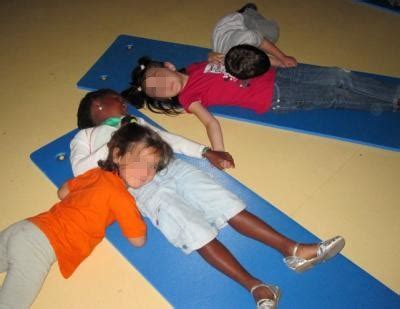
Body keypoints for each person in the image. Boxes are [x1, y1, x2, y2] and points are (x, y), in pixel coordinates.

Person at [72, 89, 346, 309]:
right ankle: (255, 286)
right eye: (116, 99)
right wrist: (115, 135)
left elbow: (168, 141)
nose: (124, 103)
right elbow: (79, 170)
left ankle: (293, 250)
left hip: (170, 167)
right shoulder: (84, 136)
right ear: (97, 104)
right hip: (141, 187)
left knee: (227, 204)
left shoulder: (134, 122)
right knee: (195, 233)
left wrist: (204, 151)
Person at [0, 122, 174, 308]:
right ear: (117, 155)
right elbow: (138, 240)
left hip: (25, 228)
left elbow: (63, 192)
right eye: (142, 162)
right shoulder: (122, 197)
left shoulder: (95, 174)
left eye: (154, 167)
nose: (147, 172)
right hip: (39, 246)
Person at [121, 47, 400, 152]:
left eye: (159, 78)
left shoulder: (194, 68)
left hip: (273, 72)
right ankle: (393, 101)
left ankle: (393, 95)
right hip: (275, 96)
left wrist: (213, 56)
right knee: (334, 96)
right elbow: (211, 123)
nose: (164, 86)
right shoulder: (188, 98)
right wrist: (218, 150)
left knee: (339, 75)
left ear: (168, 66)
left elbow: (216, 59)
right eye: (157, 91)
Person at [210, 3, 298, 68]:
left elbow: (262, 43)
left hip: (236, 20)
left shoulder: (248, 37)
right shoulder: (228, 59)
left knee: (272, 34)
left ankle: (248, 10)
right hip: (229, 36)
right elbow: (257, 59)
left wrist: (283, 58)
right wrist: (280, 64)